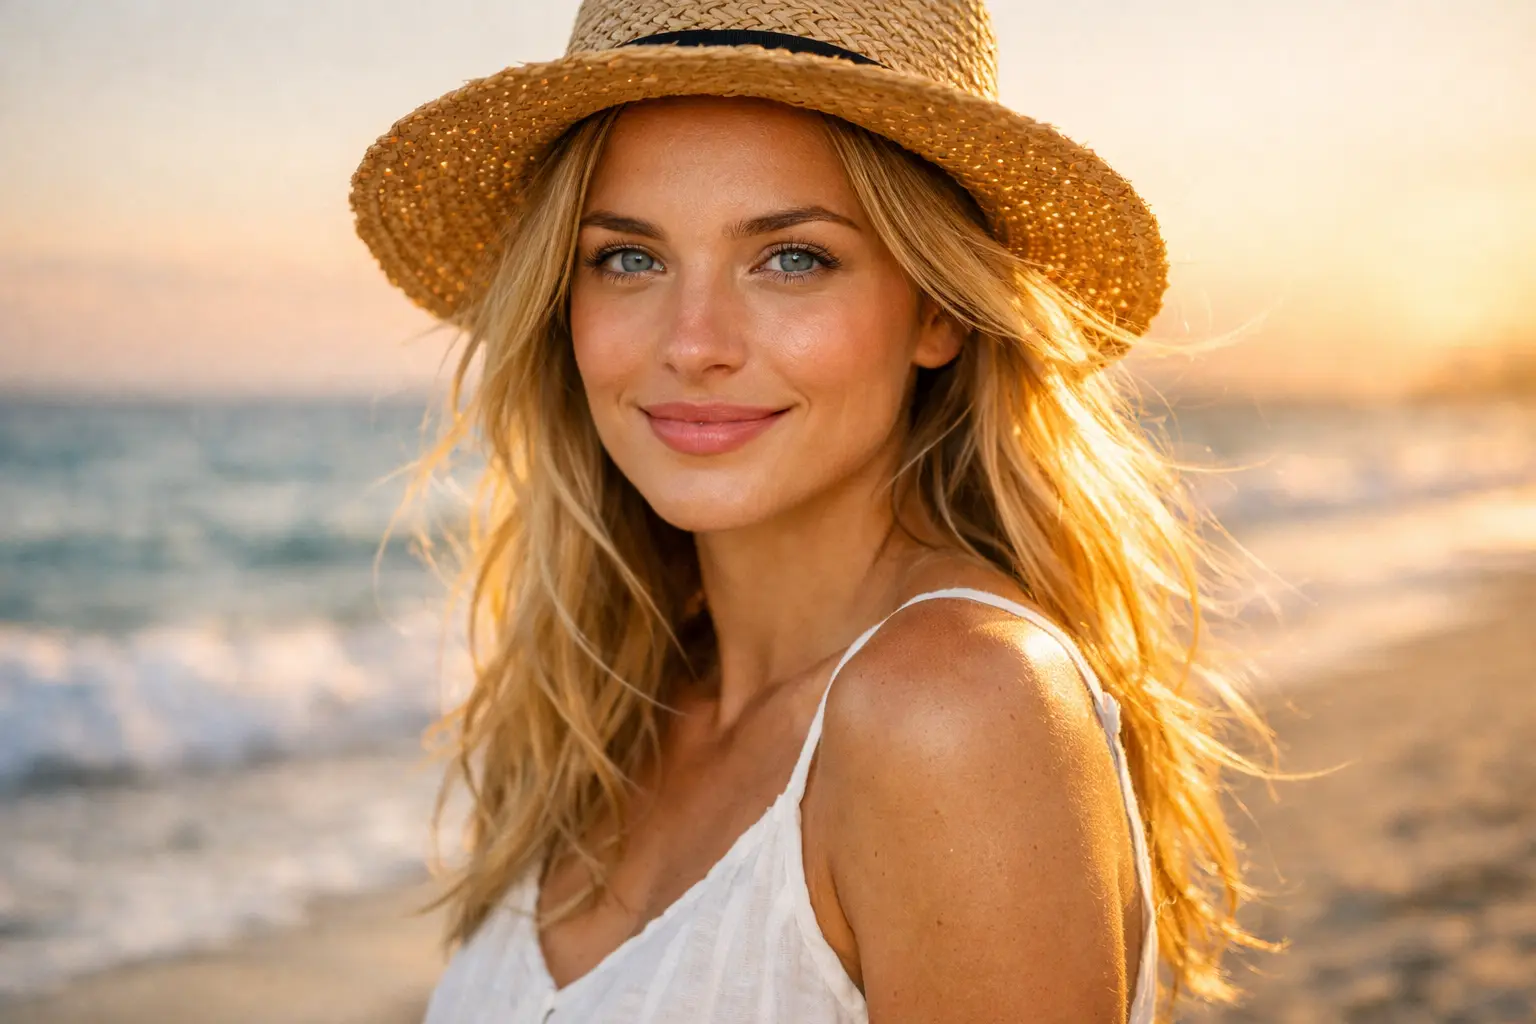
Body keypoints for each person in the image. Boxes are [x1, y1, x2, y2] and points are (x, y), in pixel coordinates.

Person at [350, 1, 1269, 1020]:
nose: (693, 342)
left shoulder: (955, 705)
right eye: (628, 258)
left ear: (938, 309)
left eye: (793, 258)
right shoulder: (603, 711)